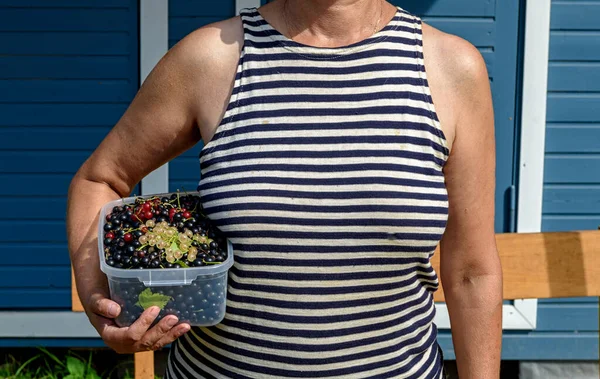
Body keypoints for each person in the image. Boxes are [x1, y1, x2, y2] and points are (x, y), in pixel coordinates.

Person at [66, 0, 503, 378]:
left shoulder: (450, 68)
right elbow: (100, 179)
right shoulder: (214, 57)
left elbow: (472, 272)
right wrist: (101, 305)